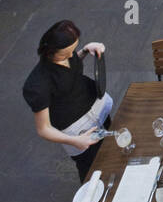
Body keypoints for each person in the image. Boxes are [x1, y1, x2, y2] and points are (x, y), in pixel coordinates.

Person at [23, 21, 110, 182]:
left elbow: (70, 68)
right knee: (89, 167)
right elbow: (43, 129)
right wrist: (75, 141)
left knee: (110, 149)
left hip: (96, 108)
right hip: (78, 131)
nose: (70, 56)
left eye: (73, 50)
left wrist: (85, 50)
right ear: (49, 51)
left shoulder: (68, 55)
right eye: (65, 54)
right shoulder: (37, 85)